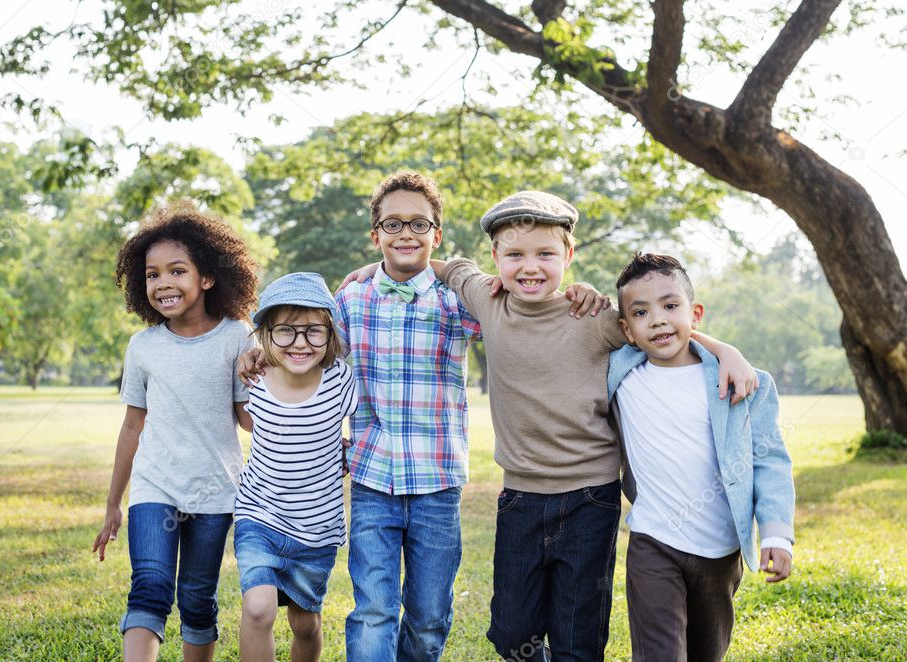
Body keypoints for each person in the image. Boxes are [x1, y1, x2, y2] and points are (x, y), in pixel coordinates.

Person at [341, 189, 756, 661]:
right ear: (495, 258)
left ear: (569, 256)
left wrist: (725, 349)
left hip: (591, 497)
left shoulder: (594, 317)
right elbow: (448, 266)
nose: (529, 267)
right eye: (514, 255)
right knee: (512, 632)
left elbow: (657, 325)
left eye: (545, 254)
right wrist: (372, 273)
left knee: (577, 635)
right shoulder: (486, 300)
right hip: (520, 497)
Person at [240, 171, 601, 661]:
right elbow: (300, 336)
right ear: (376, 236)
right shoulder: (351, 299)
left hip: (438, 482)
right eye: (393, 224)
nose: (405, 233)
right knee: (373, 610)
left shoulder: (464, 300)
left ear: (437, 234)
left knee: (430, 617)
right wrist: (253, 350)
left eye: (419, 224)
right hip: (372, 479)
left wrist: (582, 295)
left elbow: (529, 310)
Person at [608, 252, 795, 662]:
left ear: (695, 312)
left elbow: (771, 461)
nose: (657, 319)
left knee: (707, 653)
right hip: (653, 542)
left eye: (670, 306)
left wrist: (777, 533)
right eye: (641, 312)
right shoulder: (621, 372)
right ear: (627, 328)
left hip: (721, 549)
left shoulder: (743, 383)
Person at [92, 207, 259, 662]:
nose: (162, 282)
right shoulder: (143, 346)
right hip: (155, 486)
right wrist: (113, 503)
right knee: (149, 584)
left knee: (197, 597)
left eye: (176, 271)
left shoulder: (237, 336)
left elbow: (247, 416)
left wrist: (291, 408)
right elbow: (132, 426)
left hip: (215, 491)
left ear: (207, 277)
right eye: (152, 275)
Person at [234, 272, 358, 662]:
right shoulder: (253, 378)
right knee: (258, 609)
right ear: (266, 334)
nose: (300, 343)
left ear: (330, 333)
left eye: (312, 332)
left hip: (316, 529)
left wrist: (343, 451)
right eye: (285, 331)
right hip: (259, 517)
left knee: (305, 625)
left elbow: (365, 432)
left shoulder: (340, 379)